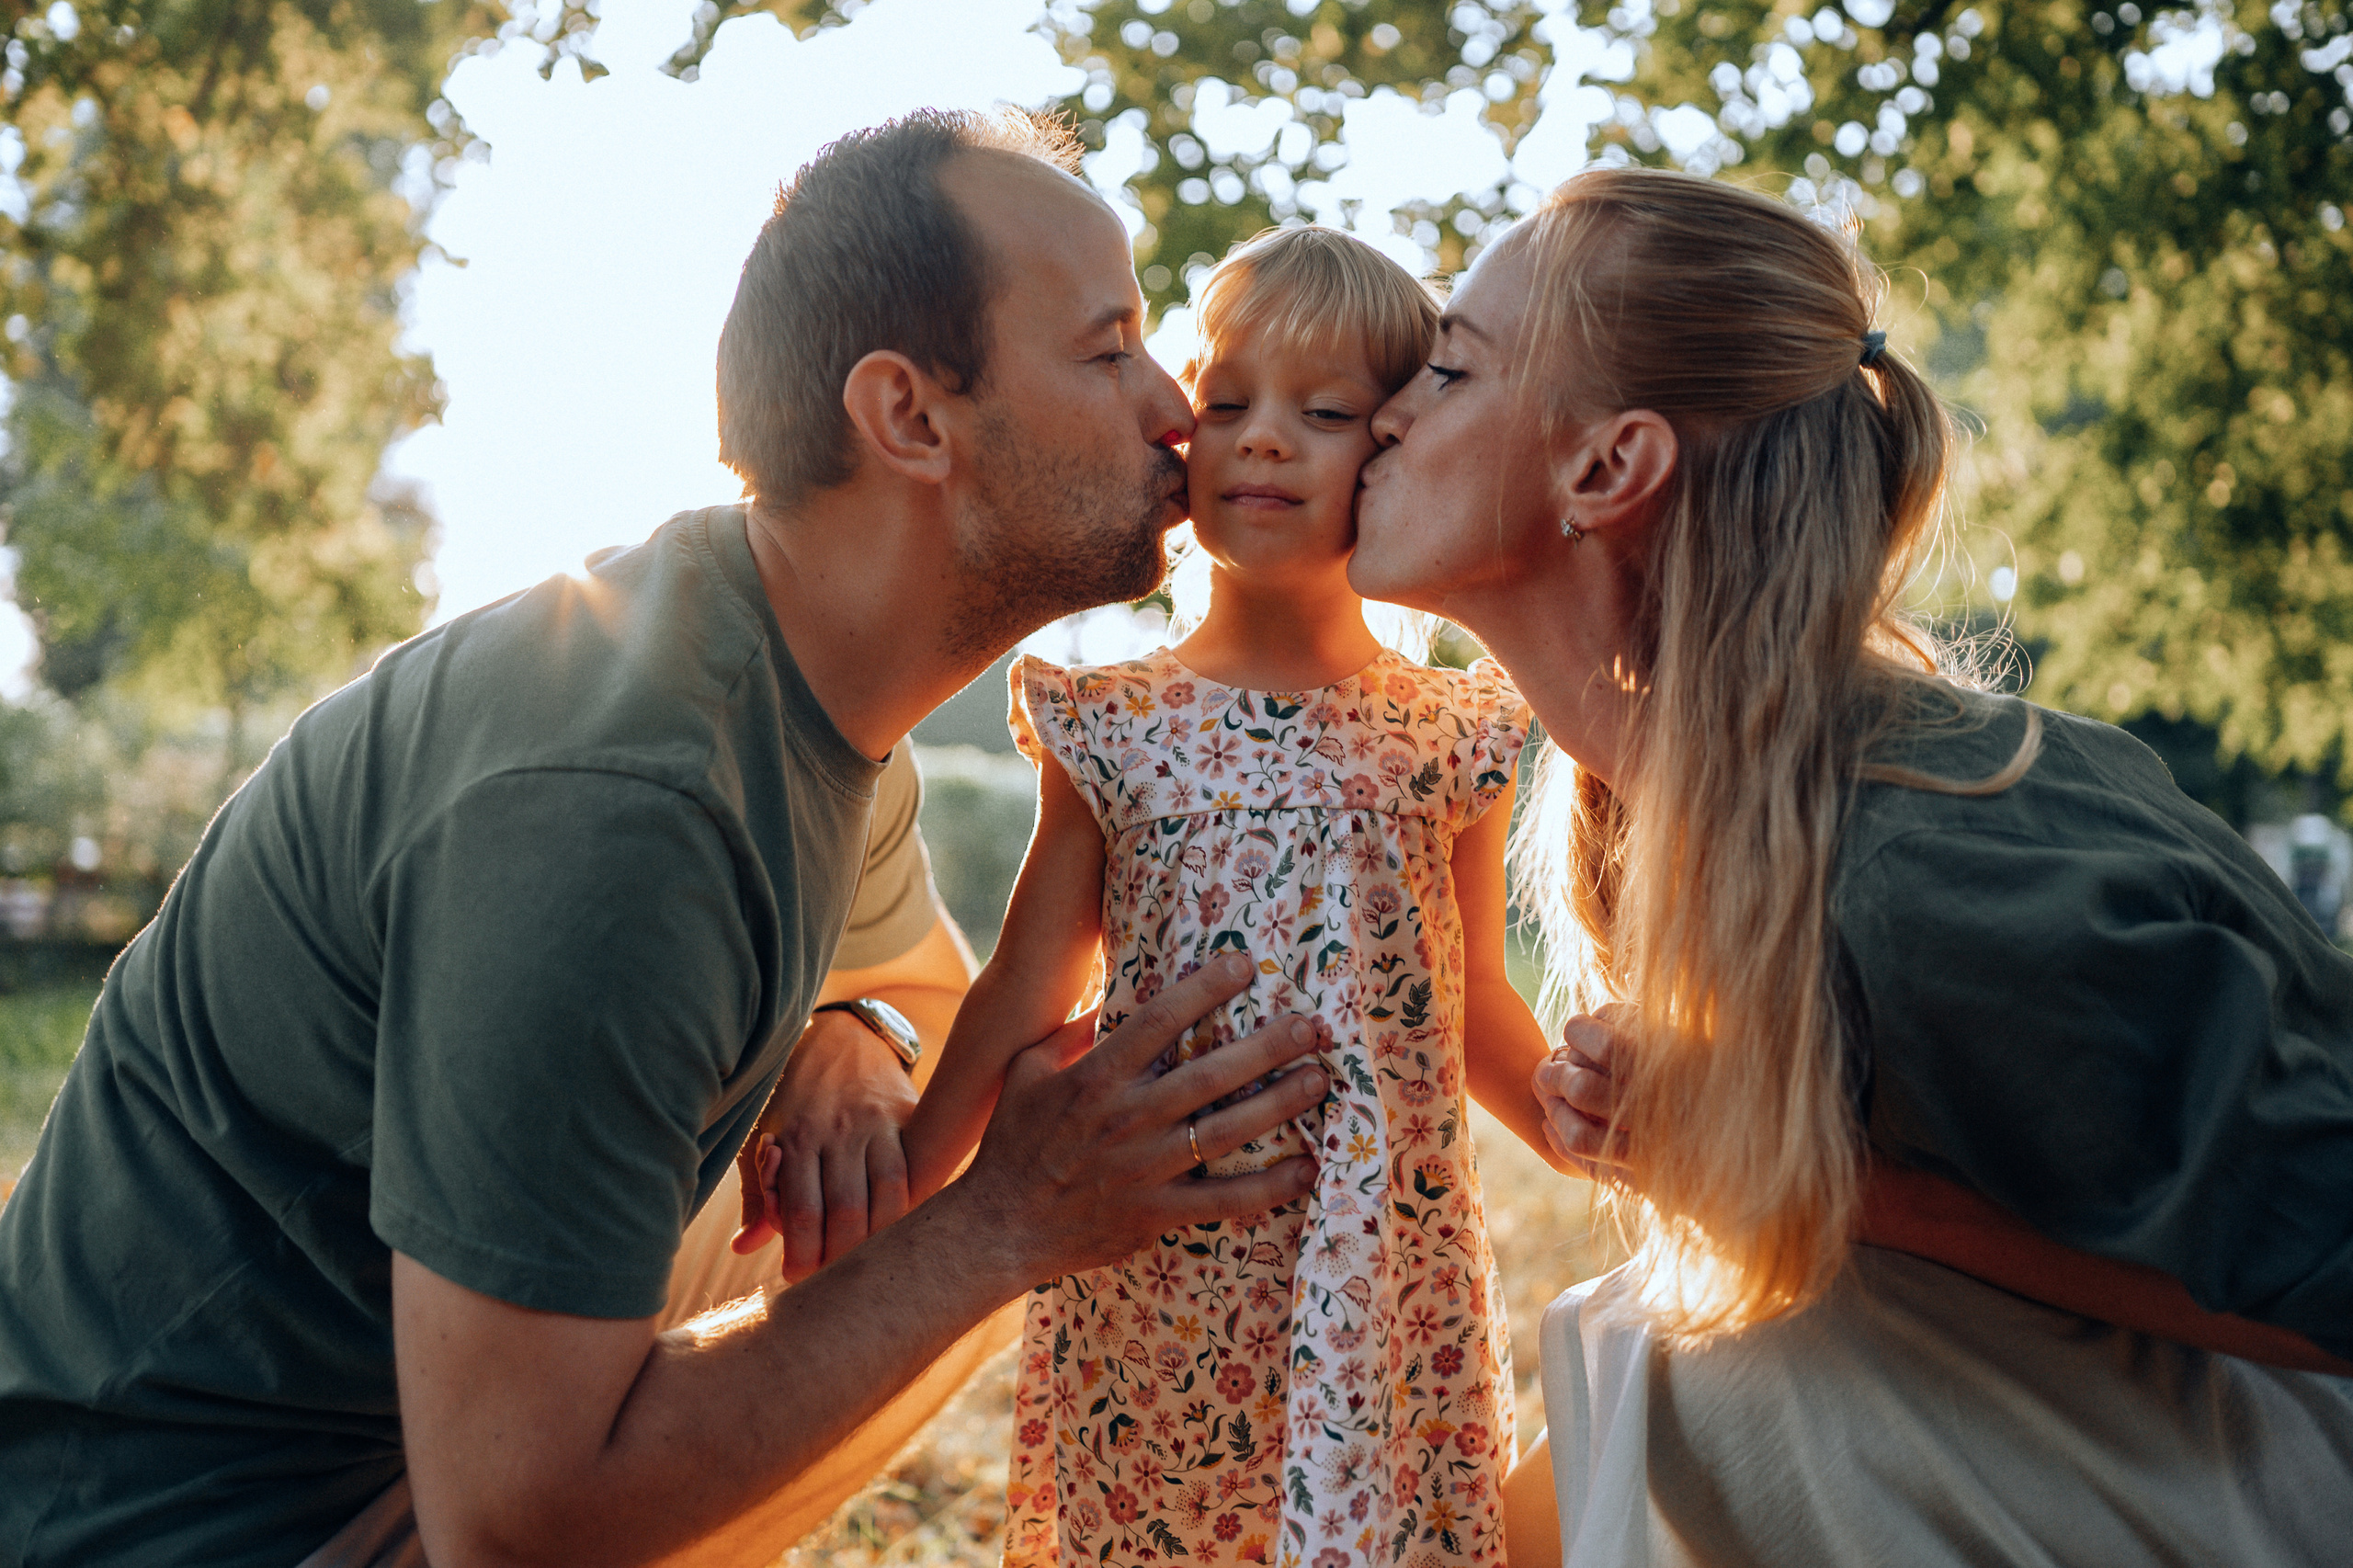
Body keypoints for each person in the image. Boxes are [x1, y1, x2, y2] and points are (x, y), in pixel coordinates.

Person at [0, 109, 1329, 1568]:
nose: (1177, 409)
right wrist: (1004, 1225)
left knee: (933, 1172)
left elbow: (938, 1016)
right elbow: (517, 1518)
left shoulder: (813, 677)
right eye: (1109, 345)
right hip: (185, 1534)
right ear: (909, 418)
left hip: (396, 1468)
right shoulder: (627, 814)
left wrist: (852, 1027)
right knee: (980, 1217)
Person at [1348, 165, 2353, 1565]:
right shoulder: (1693, 802)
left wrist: (1788, 1175)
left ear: (1606, 468)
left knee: (1734, 1374)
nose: (1383, 408)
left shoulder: (1923, 873)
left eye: (1448, 368)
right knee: (1643, 1348)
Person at [847, 224, 1569, 1568]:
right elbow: (1024, 985)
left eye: (1326, 412)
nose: (1264, 441)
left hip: (1379, 1265)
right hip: (1162, 1266)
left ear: (1397, 446)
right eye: (1227, 402)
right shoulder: (1112, 726)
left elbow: (1470, 1007)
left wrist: (1595, 1134)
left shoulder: (1449, 732)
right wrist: (909, 1183)